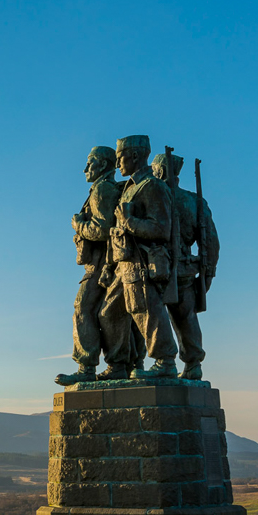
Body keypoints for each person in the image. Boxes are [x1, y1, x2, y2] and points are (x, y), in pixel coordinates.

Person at [105, 135, 179, 379]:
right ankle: (117, 365)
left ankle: (165, 362)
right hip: (123, 262)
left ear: (135, 156)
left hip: (142, 262)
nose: (118, 164)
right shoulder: (130, 187)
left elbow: (161, 229)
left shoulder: (152, 186)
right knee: (110, 313)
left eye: (120, 157)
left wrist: (130, 222)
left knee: (147, 310)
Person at [56, 146, 123, 386]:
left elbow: (103, 229)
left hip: (101, 264)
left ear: (104, 165)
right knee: (109, 314)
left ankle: (86, 367)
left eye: (90, 163)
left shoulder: (102, 189)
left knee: (83, 307)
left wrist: (79, 226)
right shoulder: (105, 188)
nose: (85, 168)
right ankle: (118, 365)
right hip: (107, 263)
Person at [151, 152, 220, 380]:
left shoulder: (155, 197)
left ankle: (163, 362)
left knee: (153, 314)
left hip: (159, 269)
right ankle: (193, 363)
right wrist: (208, 273)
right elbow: (210, 243)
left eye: (154, 171)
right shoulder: (194, 201)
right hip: (186, 269)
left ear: (160, 171)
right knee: (186, 317)